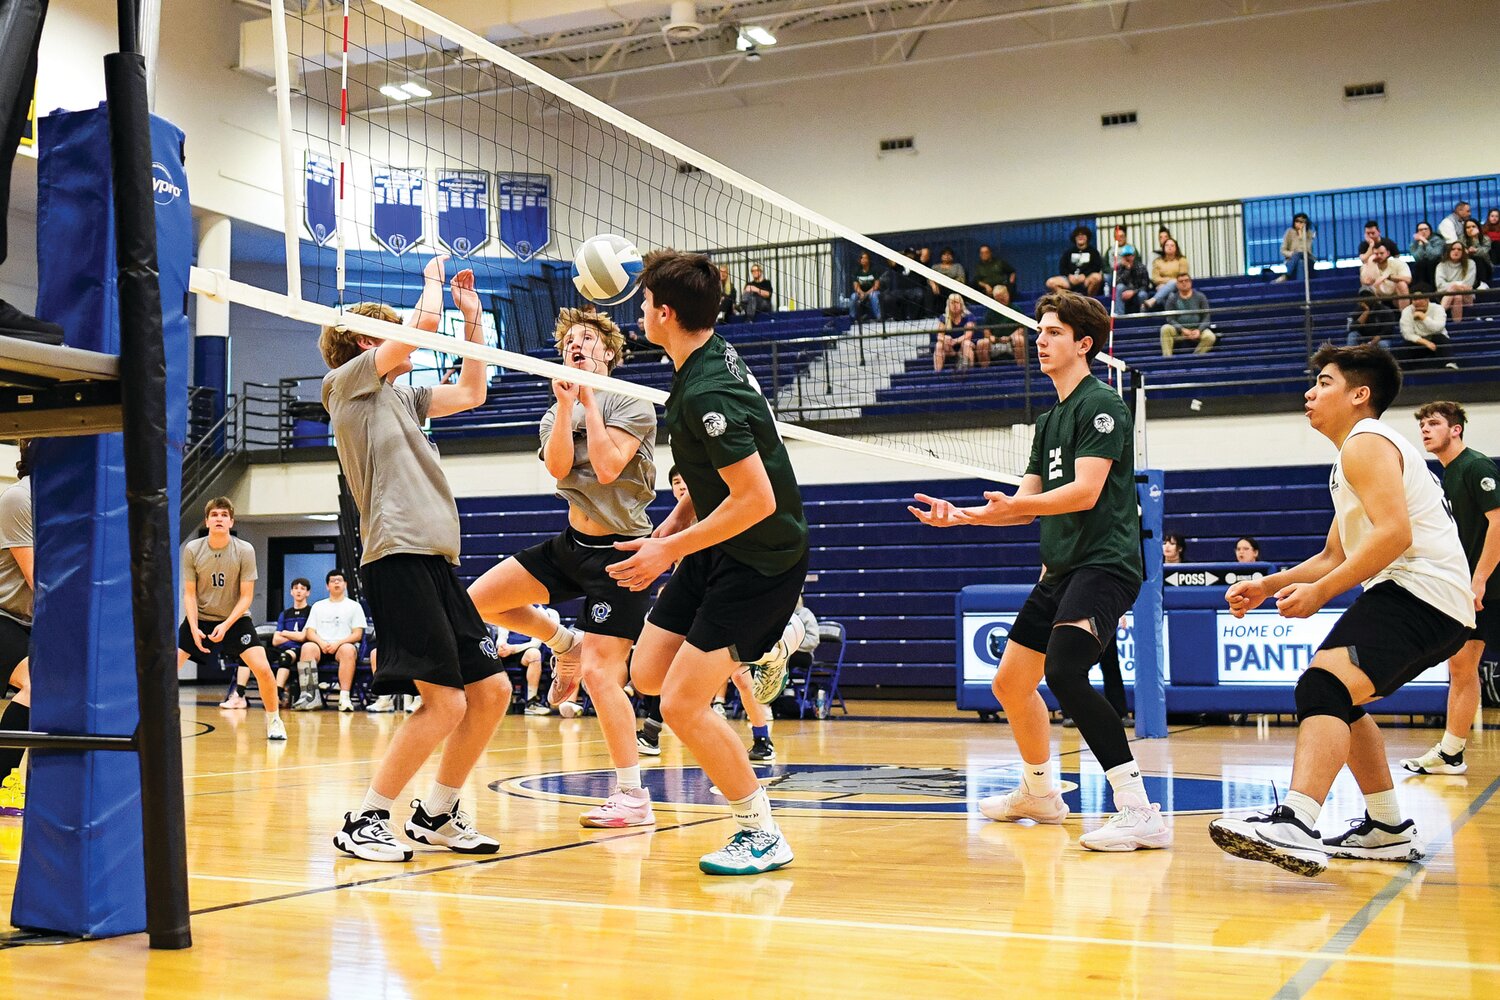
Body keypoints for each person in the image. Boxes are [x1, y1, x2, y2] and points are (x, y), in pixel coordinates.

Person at [909, 290, 1169, 852]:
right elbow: (1024, 502)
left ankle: (1138, 809)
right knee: (1008, 682)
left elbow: (1084, 492)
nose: (1039, 339)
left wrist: (1014, 507)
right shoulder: (1048, 419)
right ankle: (1040, 792)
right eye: (1040, 330)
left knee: (1066, 671)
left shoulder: (1102, 405)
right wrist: (964, 518)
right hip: (1061, 569)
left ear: (1084, 344)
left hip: (1106, 564)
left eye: (1052, 331)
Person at [1210, 344, 1472, 877]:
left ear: (1359, 395)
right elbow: (1336, 553)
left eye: (1324, 382)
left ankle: (1298, 822)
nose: (1310, 392)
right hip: (1438, 603)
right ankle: (1387, 828)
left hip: (1420, 590)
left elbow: (1394, 535)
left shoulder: (1367, 443)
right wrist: (1271, 584)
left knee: (1321, 686)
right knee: (1341, 699)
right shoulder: (1354, 453)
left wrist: (1322, 593)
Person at [606, 249, 810, 875]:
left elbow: (755, 497)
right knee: (646, 674)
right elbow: (710, 479)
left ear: (664, 313)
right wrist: (666, 531)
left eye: (643, 303)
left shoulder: (709, 389)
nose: (639, 311)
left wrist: (667, 551)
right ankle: (754, 650)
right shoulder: (700, 362)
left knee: (680, 707)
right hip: (717, 546)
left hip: (761, 559)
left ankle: (759, 830)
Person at [322, 253, 508, 861]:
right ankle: (366, 818)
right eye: (390, 329)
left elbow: (475, 390)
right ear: (361, 341)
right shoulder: (345, 387)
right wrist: (429, 289)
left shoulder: (406, 398)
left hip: (435, 557)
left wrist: (474, 321)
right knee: (445, 701)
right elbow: (413, 339)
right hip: (394, 555)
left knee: (491, 692)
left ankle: (437, 814)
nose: (404, 337)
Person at [467, 305, 660, 831]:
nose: (576, 343)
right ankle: (562, 643)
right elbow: (557, 467)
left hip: (621, 554)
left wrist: (589, 398)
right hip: (572, 543)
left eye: (588, 337)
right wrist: (564, 403)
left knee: (601, 676)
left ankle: (631, 795)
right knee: (475, 602)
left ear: (609, 352)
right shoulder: (557, 410)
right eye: (570, 338)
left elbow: (605, 466)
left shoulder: (634, 402)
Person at [1401, 402, 1500, 776]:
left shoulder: (1476, 466)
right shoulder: (1442, 476)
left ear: (1455, 429)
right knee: (1460, 666)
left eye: (1434, 423)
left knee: (1461, 666)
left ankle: (1452, 751)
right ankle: (1452, 752)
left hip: (1489, 587)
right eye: (1423, 424)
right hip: (1472, 590)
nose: (1425, 430)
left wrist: (1479, 579)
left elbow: (1499, 522)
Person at [176, 497, 285, 740]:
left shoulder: (244, 549)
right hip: (201, 616)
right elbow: (189, 594)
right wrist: (193, 627)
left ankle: (274, 720)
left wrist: (226, 625)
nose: (219, 519)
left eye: (224, 515)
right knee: (167, 667)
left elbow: (246, 597)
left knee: (264, 669)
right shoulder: (193, 549)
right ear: (206, 521)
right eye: (214, 515)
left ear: (231, 521)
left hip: (234, 618)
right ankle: (153, 718)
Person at [0, 443, 35, 814]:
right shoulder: (19, 498)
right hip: (3, 616)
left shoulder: (61, 502)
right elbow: (37, 577)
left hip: (28, 622)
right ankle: (2, 779)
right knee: (37, 686)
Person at [292, 568, 367, 712]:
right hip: (321, 645)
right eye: (333, 581)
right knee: (307, 647)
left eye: (339, 580)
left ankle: (344, 698)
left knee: (348, 650)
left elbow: (357, 634)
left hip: (342, 645)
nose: (336, 583)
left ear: (345, 584)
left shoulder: (354, 606)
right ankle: (310, 696)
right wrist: (321, 643)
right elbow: (310, 632)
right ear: (327, 586)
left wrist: (338, 643)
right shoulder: (318, 606)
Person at [267, 577, 312, 708]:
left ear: (307, 593)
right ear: (291, 591)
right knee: (257, 655)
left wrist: (285, 633)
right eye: (296, 588)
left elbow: (304, 637)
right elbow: (275, 640)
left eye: (302, 589)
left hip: (299, 649)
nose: (299, 591)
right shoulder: (285, 614)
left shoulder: (310, 612)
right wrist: (295, 636)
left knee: (284, 657)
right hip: (281, 647)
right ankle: (239, 694)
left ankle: (276, 695)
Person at [1158, 274, 1216, 356]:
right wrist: (1182, 329)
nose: (1184, 283)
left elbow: (1206, 317)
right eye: (1181, 281)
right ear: (1177, 285)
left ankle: (1195, 358)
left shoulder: (1200, 297)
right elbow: (1170, 319)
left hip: (1197, 330)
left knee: (1210, 337)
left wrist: (1199, 330)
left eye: (1186, 281)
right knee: (1165, 328)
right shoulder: (1172, 299)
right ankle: (1168, 359)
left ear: (1191, 283)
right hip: (1179, 332)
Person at [1398, 287, 1455, 370]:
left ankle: (1449, 364)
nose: (1416, 302)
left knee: (1442, 339)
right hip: (1419, 341)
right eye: (1414, 299)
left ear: (1427, 299)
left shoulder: (1438, 308)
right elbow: (1407, 333)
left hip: (1436, 340)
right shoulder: (1407, 311)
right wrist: (1425, 342)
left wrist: (1423, 317)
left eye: (1420, 299)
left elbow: (1438, 328)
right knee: (1404, 347)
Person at [1046, 226, 1105, 296]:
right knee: (1050, 282)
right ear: (1074, 238)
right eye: (1078, 235)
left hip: (1086, 279)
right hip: (1070, 280)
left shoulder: (1093, 252)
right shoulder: (1068, 252)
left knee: (1097, 277)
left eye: (1083, 235)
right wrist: (1069, 276)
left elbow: (1096, 267)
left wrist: (1084, 275)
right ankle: (1068, 299)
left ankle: (1089, 300)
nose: (1080, 237)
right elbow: (1062, 267)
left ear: (1087, 237)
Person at [977, 290, 1028, 369]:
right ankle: (985, 370)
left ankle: (1022, 368)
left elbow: (1021, 328)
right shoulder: (990, 312)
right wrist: (992, 338)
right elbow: (986, 331)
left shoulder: (1016, 309)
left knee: (1019, 339)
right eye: (999, 299)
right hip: (995, 342)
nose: (1002, 301)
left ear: (1007, 295)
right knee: (981, 343)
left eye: (1003, 297)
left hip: (1011, 342)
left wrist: (1010, 337)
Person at [1358, 243, 1410, 311]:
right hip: (1377, 296)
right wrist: (1370, 261)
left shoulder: (1398, 263)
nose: (1379, 256)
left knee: (1402, 284)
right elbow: (1366, 282)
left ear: (1388, 253)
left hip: (1395, 296)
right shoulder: (1366, 266)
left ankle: (1404, 315)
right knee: (1367, 289)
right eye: (1376, 254)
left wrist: (1389, 277)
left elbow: (1408, 279)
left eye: (1381, 253)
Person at [1435, 239, 1477, 323]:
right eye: (1453, 249)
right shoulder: (1441, 265)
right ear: (1449, 251)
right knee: (1457, 296)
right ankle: (1457, 325)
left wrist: (1453, 286)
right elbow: (1440, 285)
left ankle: (1438, 316)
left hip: (1467, 296)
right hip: (1445, 295)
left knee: (1456, 292)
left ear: (1463, 252)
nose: (1456, 251)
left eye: (1459, 249)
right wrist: (1456, 285)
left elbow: (1468, 285)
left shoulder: (1470, 263)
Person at [934, 293, 975, 373]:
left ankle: (970, 374)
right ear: (948, 305)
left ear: (961, 304)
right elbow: (939, 336)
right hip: (949, 348)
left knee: (966, 343)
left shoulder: (968, 316)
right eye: (952, 303)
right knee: (939, 345)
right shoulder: (944, 317)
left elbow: (968, 335)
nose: (955, 305)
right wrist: (945, 339)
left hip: (963, 345)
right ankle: (938, 374)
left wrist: (955, 341)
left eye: (957, 302)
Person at [1146, 238, 1189, 308]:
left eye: (1172, 245)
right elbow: (1155, 278)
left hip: (1179, 287)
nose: (1169, 247)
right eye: (1167, 245)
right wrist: (1169, 283)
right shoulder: (1157, 261)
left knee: (1173, 282)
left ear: (1176, 248)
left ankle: (1153, 300)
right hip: (1162, 287)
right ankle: (1170, 317)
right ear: (1163, 248)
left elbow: (1182, 278)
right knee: (1170, 295)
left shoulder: (1182, 260)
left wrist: (1168, 282)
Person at [878, 255, 922, 322]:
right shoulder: (899, 265)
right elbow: (891, 260)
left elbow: (925, 254)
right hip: (900, 290)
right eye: (907, 255)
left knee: (919, 293)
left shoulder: (917, 265)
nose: (909, 256)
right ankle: (898, 318)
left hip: (913, 289)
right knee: (890, 296)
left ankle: (914, 318)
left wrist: (916, 253)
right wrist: (901, 255)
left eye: (911, 255)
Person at [1111, 245, 1151, 316]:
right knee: (1119, 287)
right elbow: (1117, 282)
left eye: (1129, 255)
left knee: (1143, 294)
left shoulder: (1141, 267)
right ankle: (1119, 314)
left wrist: (1133, 292)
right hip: (1125, 291)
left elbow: (1145, 285)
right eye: (1125, 256)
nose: (1127, 258)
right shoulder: (1120, 267)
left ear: (1134, 256)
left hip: (1138, 291)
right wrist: (1127, 269)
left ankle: (1143, 316)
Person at [1276, 213, 1315, 284]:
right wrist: (1292, 254)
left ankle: (1286, 275)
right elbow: (1283, 250)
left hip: (1307, 259)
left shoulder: (1309, 233)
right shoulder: (1289, 232)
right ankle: (1300, 286)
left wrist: (1301, 236)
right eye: (1297, 221)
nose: (1298, 223)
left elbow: (1307, 250)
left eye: (1302, 222)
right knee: (1300, 262)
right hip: (1292, 260)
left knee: (1300, 254)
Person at [1407, 222, 1445, 288]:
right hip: (1421, 267)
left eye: (1426, 229)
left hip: (1435, 264)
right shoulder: (1413, 244)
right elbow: (1418, 258)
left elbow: (1433, 256)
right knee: (1418, 265)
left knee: (1430, 264)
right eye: (1420, 230)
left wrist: (1426, 242)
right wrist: (1420, 244)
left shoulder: (1438, 240)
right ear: (1417, 232)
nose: (1423, 231)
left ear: (1430, 230)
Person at [1459, 218, 1493, 287]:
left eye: (1473, 226)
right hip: (1466, 266)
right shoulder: (1461, 239)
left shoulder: (1485, 239)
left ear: (1478, 228)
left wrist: (1475, 239)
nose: (1471, 229)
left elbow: (1483, 253)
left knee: (1477, 259)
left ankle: (1482, 284)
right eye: (1468, 227)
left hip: (1484, 265)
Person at [849, 251, 881, 323]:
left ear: (868, 260)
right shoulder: (857, 271)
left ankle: (878, 316)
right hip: (861, 292)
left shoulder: (874, 270)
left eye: (865, 258)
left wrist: (866, 293)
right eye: (861, 258)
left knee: (874, 295)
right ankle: (852, 318)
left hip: (872, 291)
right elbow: (856, 286)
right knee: (853, 296)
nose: (863, 260)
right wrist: (861, 293)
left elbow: (876, 285)